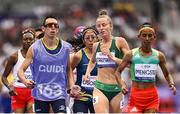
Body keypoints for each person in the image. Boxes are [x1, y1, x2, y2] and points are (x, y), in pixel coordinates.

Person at [18, 16, 80, 113]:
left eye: (55, 26)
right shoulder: (34, 48)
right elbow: (20, 70)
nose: (53, 27)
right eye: (49, 25)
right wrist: (25, 81)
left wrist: (71, 86)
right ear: (43, 29)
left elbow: (68, 70)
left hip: (59, 93)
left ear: (58, 29)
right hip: (40, 93)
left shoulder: (66, 47)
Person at [115, 22, 177, 113]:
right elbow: (117, 72)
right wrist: (122, 85)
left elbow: (167, 74)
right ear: (139, 37)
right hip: (135, 97)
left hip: (152, 97)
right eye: (144, 35)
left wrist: (171, 84)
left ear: (154, 37)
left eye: (150, 35)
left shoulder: (159, 56)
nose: (147, 38)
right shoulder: (130, 54)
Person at [83, 9, 130, 113]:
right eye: (99, 26)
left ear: (111, 26)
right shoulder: (96, 45)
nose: (101, 28)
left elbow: (130, 65)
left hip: (117, 88)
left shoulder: (120, 42)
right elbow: (92, 61)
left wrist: (112, 58)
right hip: (100, 87)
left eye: (104, 25)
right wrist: (87, 73)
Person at [1, 28, 35, 113]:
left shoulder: (38, 56)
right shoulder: (14, 56)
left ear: (34, 40)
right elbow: (4, 76)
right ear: (21, 41)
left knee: (32, 111)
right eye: (25, 39)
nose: (28, 41)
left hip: (32, 91)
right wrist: (9, 87)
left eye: (30, 39)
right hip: (17, 92)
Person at [71, 26, 99, 113]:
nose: (90, 40)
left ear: (97, 39)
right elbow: (68, 71)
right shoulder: (78, 55)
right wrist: (71, 86)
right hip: (81, 96)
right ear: (83, 41)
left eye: (93, 37)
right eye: (87, 38)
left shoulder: (103, 54)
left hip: (98, 96)